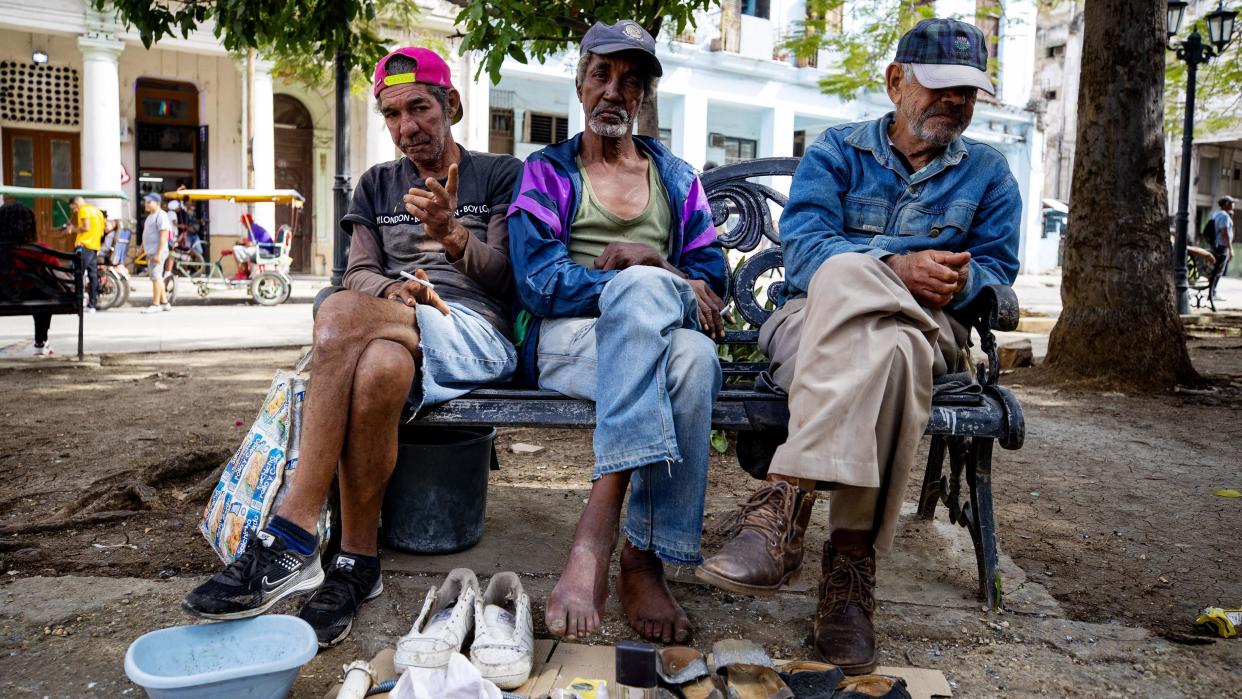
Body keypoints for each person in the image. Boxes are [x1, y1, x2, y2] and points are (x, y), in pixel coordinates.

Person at [697, 18, 1021, 674]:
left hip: (934, 329)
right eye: (941, 87)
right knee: (873, 320)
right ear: (896, 82)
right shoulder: (837, 151)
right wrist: (899, 269)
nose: (955, 103)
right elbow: (809, 257)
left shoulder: (989, 173)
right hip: (810, 321)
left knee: (899, 343)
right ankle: (848, 575)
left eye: (968, 92)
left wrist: (962, 279)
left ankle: (783, 503)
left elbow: (998, 281)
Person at [181, 46, 523, 648]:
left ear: (453, 105)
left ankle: (291, 534)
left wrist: (450, 234)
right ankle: (355, 566)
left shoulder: (499, 174)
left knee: (337, 318)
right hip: (397, 327)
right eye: (392, 114)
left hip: (475, 331)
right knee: (379, 369)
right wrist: (396, 291)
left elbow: (506, 280)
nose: (406, 127)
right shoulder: (376, 184)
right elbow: (357, 273)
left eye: (419, 108)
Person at [507, 20, 728, 644]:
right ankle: (628, 553)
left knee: (680, 342)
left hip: (651, 338)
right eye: (601, 75)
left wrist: (655, 264)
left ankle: (617, 550)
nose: (613, 91)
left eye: (630, 82)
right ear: (580, 85)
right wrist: (648, 280)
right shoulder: (546, 173)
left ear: (642, 99)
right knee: (672, 334)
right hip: (565, 341)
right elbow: (539, 283)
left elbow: (713, 282)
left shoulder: (677, 178)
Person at [0, 201, 59, 356]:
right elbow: (57, 276)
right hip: (34, 296)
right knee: (43, 291)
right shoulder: (40, 250)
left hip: (1, 294)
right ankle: (40, 343)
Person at [67, 196, 105, 312]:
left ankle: (78, 302)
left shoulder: (83, 209)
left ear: (76, 203)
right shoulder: (98, 211)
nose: (75, 211)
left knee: (78, 274)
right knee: (93, 276)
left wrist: (72, 229)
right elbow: (102, 232)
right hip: (94, 247)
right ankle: (92, 304)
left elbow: (86, 227)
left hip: (83, 246)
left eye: (73, 208)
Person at [141, 193, 173, 313]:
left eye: (149, 202)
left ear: (157, 203)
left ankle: (155, 304)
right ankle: (164, 302)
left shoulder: (161, 215)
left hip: (157, 251)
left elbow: (163, 237)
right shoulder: (151, 216)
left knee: (156, 277)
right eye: (146, 202)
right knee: (156, 276)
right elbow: (147, 234)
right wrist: (142, 248)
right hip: (151, 252)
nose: (146, 204)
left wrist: (158, 254)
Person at [230, 213, 276, 280]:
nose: (243, 225)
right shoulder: (254, 227)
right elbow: (251, 244)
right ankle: (245, 273)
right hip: (263, 248)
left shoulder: (252, 228)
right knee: (241, 251)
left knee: (235, 249)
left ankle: (242, 273)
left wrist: (241, 245)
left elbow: (250, 244)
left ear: (246, 222)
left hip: (263, 250)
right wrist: (242, 244)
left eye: (243, 223)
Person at [1208, 196, 1235, 303]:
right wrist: (1230, 249)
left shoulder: (1216, 214)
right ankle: (1213, 293)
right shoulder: (1225, 216)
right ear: (1227, 204)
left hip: (1215, 246)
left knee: (1216, 270)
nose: (1233, 205)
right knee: (1219, 271)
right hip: (1222, 247)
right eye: (1232, 203)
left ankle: (1212, 292)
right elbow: (1225, 233)